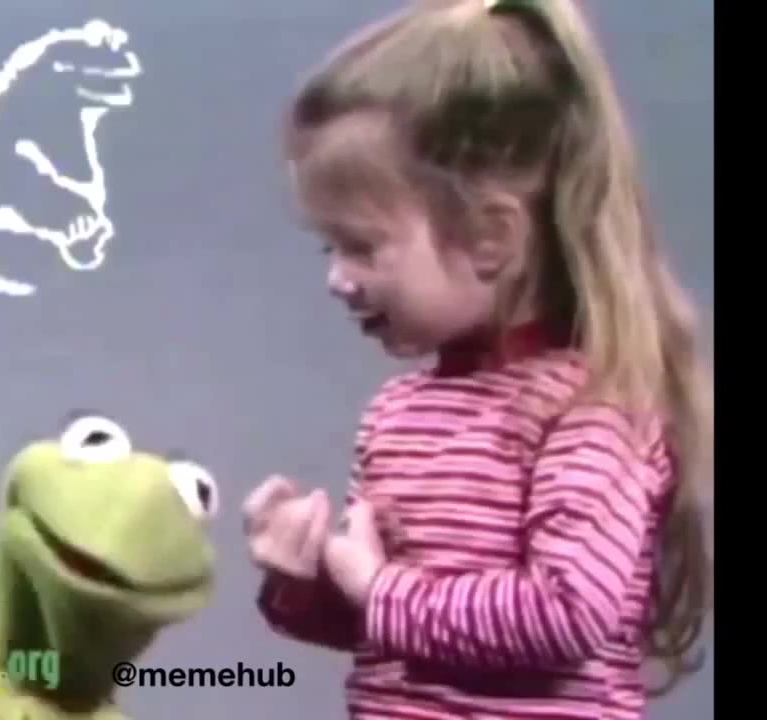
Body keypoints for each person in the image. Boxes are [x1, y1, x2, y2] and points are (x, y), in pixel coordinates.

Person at [242, 0, 714, 718]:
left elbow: (567, 613)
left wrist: (379, 588)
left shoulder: (595, 409)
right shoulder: (396, 415)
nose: (336, 278)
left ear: (491, 237)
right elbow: (396, 629)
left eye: (362, 245)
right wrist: (306, 579)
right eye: (328, 248)